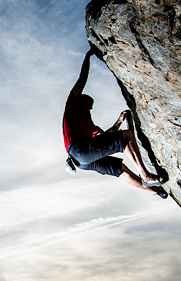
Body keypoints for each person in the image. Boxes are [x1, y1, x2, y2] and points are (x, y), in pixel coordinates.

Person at [63, 48, 168, 199]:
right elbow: (82, 77)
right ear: (84, 100)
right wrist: (87, 56)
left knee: (122, 170)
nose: (91, 108)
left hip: (82, 161)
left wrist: (119, 121)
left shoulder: (89, 125)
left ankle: (158, 191)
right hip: (79, 150)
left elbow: (106, 137)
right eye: (90, 105)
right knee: (126, 137)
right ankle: (146, 176)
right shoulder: (72, 104)